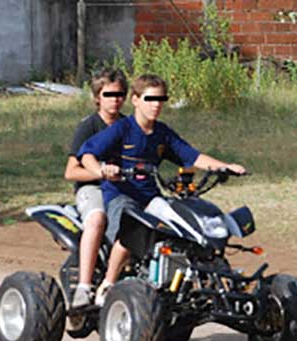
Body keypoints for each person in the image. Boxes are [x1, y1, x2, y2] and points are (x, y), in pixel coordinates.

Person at [78, 74, 246, 305]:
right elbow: (87, 154)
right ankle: (108, 284)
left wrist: (224, 166)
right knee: (133, 229)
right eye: (150, 99)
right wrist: (100, 170)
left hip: (151, 198)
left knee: (183, 226)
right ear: (135, 100)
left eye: (161, 100)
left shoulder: (162, 133)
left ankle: (190, 284)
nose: (156, 105)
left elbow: (192, 156)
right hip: (121, 196)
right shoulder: (121, 129)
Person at [64, 68, 128, 308]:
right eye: (109, 94)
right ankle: (84, 286)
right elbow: (71, 171)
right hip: (93, 189)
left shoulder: (129, 126)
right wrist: (100, 172)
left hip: (123, 189)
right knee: (98, 219)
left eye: (120, 94)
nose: (115, 100)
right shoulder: (89, 127)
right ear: (97, 97)